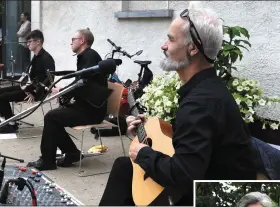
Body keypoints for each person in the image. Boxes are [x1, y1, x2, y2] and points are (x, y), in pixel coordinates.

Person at [99, 2, 257, 206]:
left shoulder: (199, 104)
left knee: (127, 170)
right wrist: (146, 135)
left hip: (212, 196)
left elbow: (184, 174)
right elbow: (193, 146)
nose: (163, 46)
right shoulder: (207, 88)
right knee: (124, 167)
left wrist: (143, 153)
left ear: (192, 48)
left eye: (170, 39)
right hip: (209, 181)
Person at [26, 28, 110, 171]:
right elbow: (82, 83)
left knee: (52, 117)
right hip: (86, 106)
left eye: (73, 39)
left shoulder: (89, 56)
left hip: (92, 111)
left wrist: (63, 92)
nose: (71, 43)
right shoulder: (86, 56)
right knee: (54, 117)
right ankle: (71, 153)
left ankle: (49, 160)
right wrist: (65, 94)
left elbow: (83, 84)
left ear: (82, 41)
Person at [0, 29, 55, 134]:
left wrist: (34, 91)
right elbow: (32, 77)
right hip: (30, 88)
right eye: (27, 42)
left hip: (37, 92)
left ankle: (11, 125)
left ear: (38, 42)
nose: (27, 44)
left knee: (4, 97)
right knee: (0, 92)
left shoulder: (46, 58)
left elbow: (50, 79)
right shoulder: (36, 57)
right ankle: (5, 121)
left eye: (30, 41)